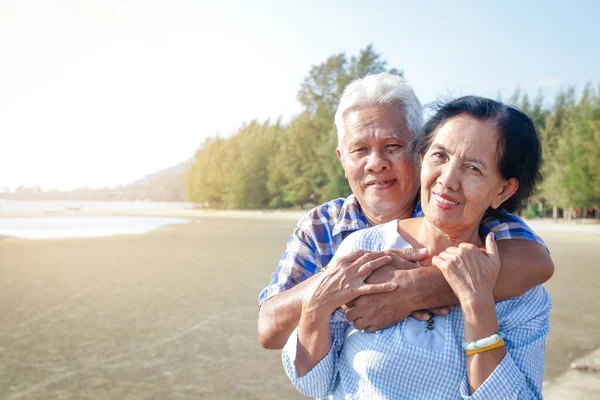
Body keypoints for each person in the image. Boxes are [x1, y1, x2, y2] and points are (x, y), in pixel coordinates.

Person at [257, 73, 554, 350]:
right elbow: (269, 328)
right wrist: (340, 282)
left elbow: (535, 262)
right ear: (342, 159)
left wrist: (417, 288)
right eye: (359, 150)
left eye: (393, 145)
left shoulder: (452, 206)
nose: (376, 163)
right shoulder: (322, 225)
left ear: (418, 149)